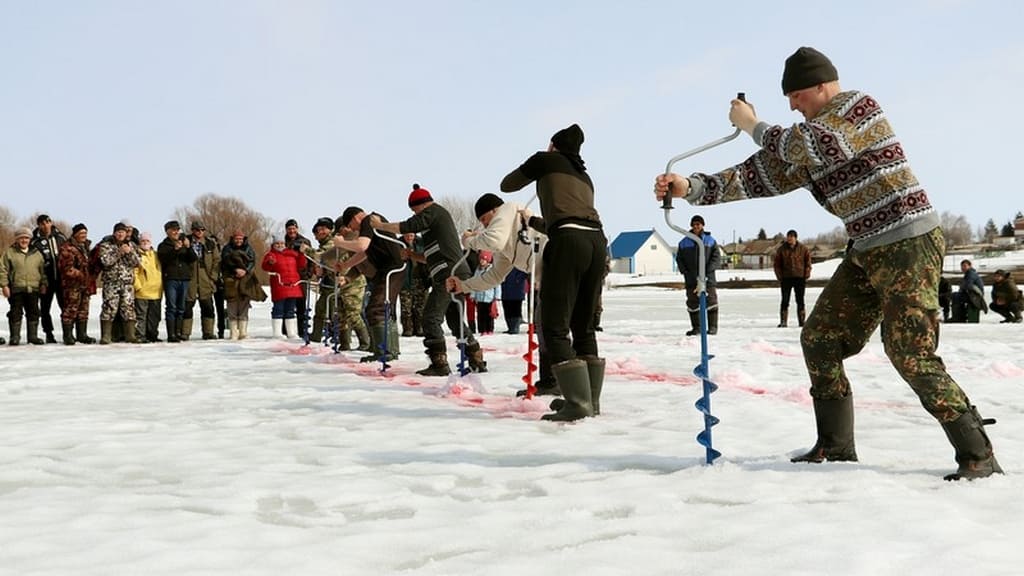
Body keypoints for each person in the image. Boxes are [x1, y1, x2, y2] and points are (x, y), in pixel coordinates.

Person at [653, 46, 1000, 480]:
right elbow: (756, 174)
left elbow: (822, 144)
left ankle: (977, 453)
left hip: (908, 241)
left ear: (822, 85)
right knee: (818, 338)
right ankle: (835, 446)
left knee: (909, 351)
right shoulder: (803, 144)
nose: (792, 104)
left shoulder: (856, 110)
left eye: (797, 95)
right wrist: (692, 186)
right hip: (865, 250)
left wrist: (753, 125)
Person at [501, 123, 607, 421]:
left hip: (568, 242)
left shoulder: (545, 160)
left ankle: (577, 403)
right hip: (596, 241)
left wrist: (538, 165)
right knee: (583, 325)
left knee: (555, 325)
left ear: (553, 145)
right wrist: (533, 220)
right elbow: (563, 219)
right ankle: (589, 402)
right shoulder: (585, 177)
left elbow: (507, 185)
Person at [369, 184, 487, 375]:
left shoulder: (433, 212)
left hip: (450, 274)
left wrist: (380, 226)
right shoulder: (435, 226)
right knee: (455, 320)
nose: (415, 214)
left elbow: (408, 226)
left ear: (421, 205)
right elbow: (430, 256)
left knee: (430, 318)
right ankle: (475, 358)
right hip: (454, 271)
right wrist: (412, 255)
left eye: (414, 210)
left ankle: (439, 363)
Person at [447, 193, 558, 396]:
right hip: (546, 278)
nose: (485, 225)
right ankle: (550, 380)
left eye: (484, 220)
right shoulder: (506, 243)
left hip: (557, 264)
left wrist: (469, 241)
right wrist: (464, 286)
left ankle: (558, 381)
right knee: (546, 327)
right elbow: (494, 276)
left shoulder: (508, 209)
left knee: (552, 328)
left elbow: (493, 241)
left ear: (494, 211)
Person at [333, 207, 405, 362]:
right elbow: (365, 252)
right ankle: (390, 351)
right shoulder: (372, 223)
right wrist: (346, 265)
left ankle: (384, 352)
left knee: (376, 309)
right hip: (389, 269)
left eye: (351, 226)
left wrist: (341, 243)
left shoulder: (368, 220)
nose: (354, 229)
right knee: (386, 308)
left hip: (392, 269)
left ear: (354, 218)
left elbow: (361, 245)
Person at [1, 227, 48, 345]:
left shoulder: (36, 253)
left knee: (34, 312)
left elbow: (43, 271)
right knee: (15, 313)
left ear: (30, 239)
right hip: (16, 288)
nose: (24, 240)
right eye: (21, 238)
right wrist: (4, 285)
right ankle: (15, 337)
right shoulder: (10, 252)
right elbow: (2, 270)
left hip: (33, 288)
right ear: (17, 239)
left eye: (26, 238)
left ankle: (33, 336)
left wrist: (44, 283)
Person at [675, 214, 720, 336]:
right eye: (694, 225)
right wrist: (686, 272)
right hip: (691, 279)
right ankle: (697, 328)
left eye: (698, 224)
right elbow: (679, 259)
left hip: (708, 279)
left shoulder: (710, 241)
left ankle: (712, 327)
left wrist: (707, 271)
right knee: (693, 303)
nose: (696, 227)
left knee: (711, 302)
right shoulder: (684, 242)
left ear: (702, 225)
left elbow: (716, 258)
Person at [97, 222, 141, 344]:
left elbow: (137, 262)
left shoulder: (132, 245)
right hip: (111, 283)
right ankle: (106, 336)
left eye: (122, 232)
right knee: (109, 308)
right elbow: (105, 261)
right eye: (118, 232)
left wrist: (129, 252)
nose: (120, 234)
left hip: (127, 283)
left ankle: (130, 335)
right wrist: (119, 252)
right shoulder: (106, 245)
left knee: (128, 308)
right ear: (114, 233)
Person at [156, 220, 197, 343]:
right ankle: (171, 334)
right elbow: (164, 259)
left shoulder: (185, 243)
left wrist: (188, 247)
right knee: (171, 307)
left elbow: (193, 259)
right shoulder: (163, 245)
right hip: (171, 279)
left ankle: (179, 332)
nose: (176, 232)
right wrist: (175, 249)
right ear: (167, 231)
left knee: (181, 307)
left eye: (177, 229)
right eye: (173, 230)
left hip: (184, 278)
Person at [30, 214, 67, 343]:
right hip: (45, 281)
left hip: (61, 280)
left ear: (51, 223)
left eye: (47, 222)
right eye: (42, 224)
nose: (45, 226)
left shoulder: (61, 237)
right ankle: (49, 333)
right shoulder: (35, 242)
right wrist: (40, 281)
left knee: (65, 307)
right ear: (38, 225)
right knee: (45, 309)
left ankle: (67, 333)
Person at [57, 223, 96, 344]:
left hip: (85, 285)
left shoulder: (86, 247)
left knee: (83, 310)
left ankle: (82, 334)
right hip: (72, 285)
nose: (83, 236)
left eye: (85, 233)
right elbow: (66, 268)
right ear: (75, 234)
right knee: (70, 310)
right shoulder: (67, 248)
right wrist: (80, 275)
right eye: (81, 233)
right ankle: (68, 336)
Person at [261, 236, 306, 339]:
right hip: (280, 285)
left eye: (282, 243)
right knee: (278, 308)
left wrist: (302, 254)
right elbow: (265, 267)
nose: (280, 245)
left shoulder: (292, 254)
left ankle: (291, 332)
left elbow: (302, 264)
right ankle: (277, 333)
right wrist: (269, 262)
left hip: (293, 285)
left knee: (290, 309)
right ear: (273, 245)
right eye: (277, 244)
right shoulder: (271, 255)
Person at [182, 221, 220, 340]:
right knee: (187, 307)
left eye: (202, 230)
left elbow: (217, 261)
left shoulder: (210, 243)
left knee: (208, 307)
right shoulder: (185, 241)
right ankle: (185, 333)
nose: (200, 232)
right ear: (192, 230)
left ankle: (208, 332)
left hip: (205, 278)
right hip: (190, 278)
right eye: (198, 230)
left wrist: (213, 277)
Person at [220, 229, 258, 340]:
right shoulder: (227, 248)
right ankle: (233, 332)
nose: (238, 240)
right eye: (237, 238)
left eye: (240, 238)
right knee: (232, 303)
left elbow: (252, 261)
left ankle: (243, 332)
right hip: (231, 278)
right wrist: (235, 270)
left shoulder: (249, 248)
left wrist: (245, 271)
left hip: (246, 279)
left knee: (244, 303)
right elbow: (225, 262)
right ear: (233, 238)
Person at [773, 229, 812, 327]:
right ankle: (783, 321)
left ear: (795, 238)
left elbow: (808, 263)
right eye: (788, 237)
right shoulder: (781, 249)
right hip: (786, 278)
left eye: (791, 238)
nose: (789, 239)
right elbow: (777, 264)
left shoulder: (803, 249)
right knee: (785, 300)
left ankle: (802, 321)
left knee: (800, 300)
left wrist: (806, 274)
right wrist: (779, 276)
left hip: (799, 278)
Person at [284, 218, 312, 338]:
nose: (291, 231)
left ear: (297, 229)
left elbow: (311, 258)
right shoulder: (282, 241)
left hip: (301, 276)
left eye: (293, 228)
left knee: (301, 305)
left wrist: (309, 273)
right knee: (286, 304)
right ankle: (285, 330)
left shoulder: (304, 241)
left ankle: (302, 330)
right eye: (289, 229)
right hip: (287, 277)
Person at [133, 232, 163, 343]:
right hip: (142, 291)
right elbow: (134, 272)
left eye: (147, 241)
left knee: (154, 316)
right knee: (141, 316)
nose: (145, 243)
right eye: (143, 241)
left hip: (156, 291)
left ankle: (152, 335)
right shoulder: (136, 255)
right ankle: (141, 335)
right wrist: (137, 286)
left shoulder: (156, 255)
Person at [399, 232, 429, 338]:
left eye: (411, 236)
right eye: (407, 236)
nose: (409, 238)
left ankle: (420, 327)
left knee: (421, 306)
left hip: (421, 278)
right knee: (406, 307)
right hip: (405, 279)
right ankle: (408, 328)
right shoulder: (398, 243)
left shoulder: (422, 242)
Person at [471, 251, 501, 335]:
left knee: (489, 315)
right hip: (480, 297)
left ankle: (490, 329)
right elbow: (474, 283)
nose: (481, 261)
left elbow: (497, 284)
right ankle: (482, 330)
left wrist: (497, 296)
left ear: (488, 260)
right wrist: (473, 294)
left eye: (483, 260)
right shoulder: (477, 271)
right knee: (481, 315)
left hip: (489, 297)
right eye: (480, 259)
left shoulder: (492, 271)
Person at [952, 259, 986, 323]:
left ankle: (958, 317)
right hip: (971, 294)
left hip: (975, 296)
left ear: (970, 266)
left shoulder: (971, 274)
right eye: (962, 266)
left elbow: (969, 286)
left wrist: (962, 288)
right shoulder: (968, 273)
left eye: (965, 266)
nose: (963, 268)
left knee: (955, 296)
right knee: (956, 296)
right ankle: (959, 316)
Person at [500, 267, 528, 334]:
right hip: (506, 289)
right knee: (507, 309)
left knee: (515, 309)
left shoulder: (519, 262)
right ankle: (510, 327)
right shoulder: (504, 262)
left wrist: (518, 279)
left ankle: (515, 327)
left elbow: (525, 272)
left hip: (517, 289)